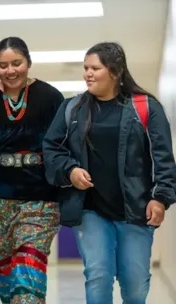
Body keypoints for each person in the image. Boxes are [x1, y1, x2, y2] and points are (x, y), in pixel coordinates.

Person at [42, 42, 176, 303]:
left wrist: (160, 198)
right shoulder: (73, 108)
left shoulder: (145, 107)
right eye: (85, 68)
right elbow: (51, 148)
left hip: (136, 210)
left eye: (95, 68)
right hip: (90, 211)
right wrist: (69, 171)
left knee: (135, 284)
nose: (87, 74)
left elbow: (163, 158)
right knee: (98, 276)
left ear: (115, 72)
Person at [0, 37, 64, 304]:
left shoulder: (51, 97)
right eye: (2, 65)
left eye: (16, 63)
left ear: (28, 63)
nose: (10, 70)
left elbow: (64, 145)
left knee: (27, 268)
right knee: (5, 275)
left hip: (41, 195)